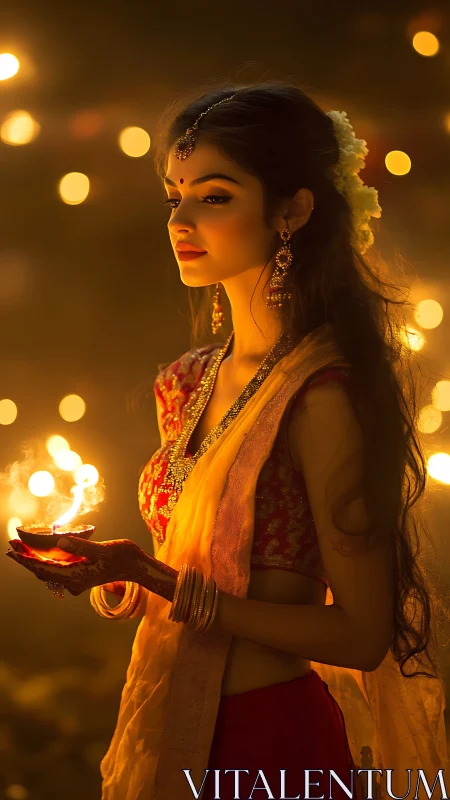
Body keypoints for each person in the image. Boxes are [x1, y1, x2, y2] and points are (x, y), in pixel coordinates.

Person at [6, 81, 447, 800]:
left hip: (271, 744)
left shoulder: (322, 395)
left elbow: (364, 635)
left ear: (293, 211)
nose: (180, 218)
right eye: (173, 194)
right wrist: (112, 576)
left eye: (214, 196)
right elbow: (193, 570)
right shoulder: (188, 383)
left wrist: (158, 578)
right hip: (176, 729)